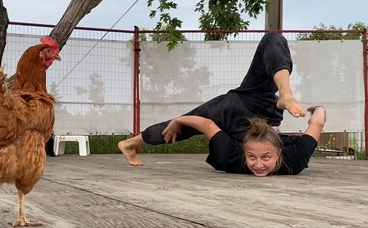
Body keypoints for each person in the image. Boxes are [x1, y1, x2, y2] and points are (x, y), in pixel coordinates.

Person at [118, 32, 311, 169]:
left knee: (182, 126)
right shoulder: (291, 160)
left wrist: (180, 120)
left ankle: (129, 143)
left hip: (241, 111)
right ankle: (286, 94)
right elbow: (317, 123)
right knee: (273, 38)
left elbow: (205, 125)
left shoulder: (240, 157)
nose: (259, 165)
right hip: (256, 103)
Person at [161, 106, 326, 176]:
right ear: (244, 153)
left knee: (274, 127)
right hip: (242, 131)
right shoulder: (232, 156)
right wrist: (178, 120)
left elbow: (317, 122)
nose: (258, 165)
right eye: (252, 157)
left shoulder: (294, 159)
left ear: (278, 154)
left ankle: (274, 125)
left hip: (278, 138)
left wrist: (318, 108)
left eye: (266, 157)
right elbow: (207, 125)